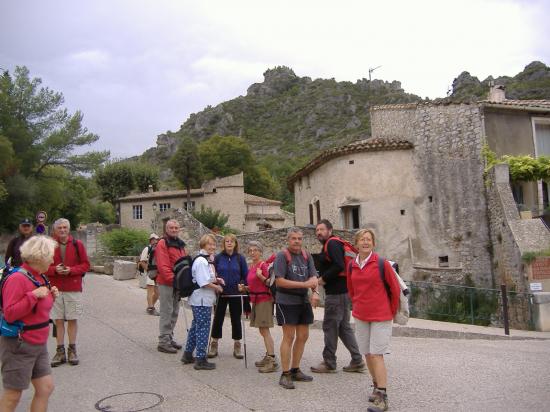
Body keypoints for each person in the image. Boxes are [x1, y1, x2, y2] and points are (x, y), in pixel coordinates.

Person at [0, 235, 60, 412]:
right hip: (19, 345)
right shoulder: (17, 279)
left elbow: (37, 310)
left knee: (45, 387)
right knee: (13, 395)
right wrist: (33, 296)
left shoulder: (39, 277)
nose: (52, 259)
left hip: (38, 344)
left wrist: (50, 296)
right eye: (49, 255)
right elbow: (10, 314)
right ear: (39, 257)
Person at [347, 229, 399, 412]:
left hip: (380, 316)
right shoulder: (352, 264)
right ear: (356, 243)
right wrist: (357, 305)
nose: (365, 242)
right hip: (361, 315)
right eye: (362, 239)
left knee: (377, 354)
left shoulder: (381, 264)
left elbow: (395, 290)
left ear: (373, 243)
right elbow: (351, 289)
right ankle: (376, 386)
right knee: (367, 354)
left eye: (368, 239)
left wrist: (389, 312)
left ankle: (383, 397)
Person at [311, 219, 365, 373]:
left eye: (321, 229)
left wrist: (322, 279)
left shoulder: (332, 244)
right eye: (317, 230)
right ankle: (357, 360)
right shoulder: (336, 243)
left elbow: (339, 265)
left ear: (330, 230)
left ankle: (329, 362)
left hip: (336, 293)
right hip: (344, 291)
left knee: (330, 326)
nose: (319, 232)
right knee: (343, 328)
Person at [273, 228, 318, 389]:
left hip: (302, 301)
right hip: (286, 301)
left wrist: (315, 291)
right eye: (294, 238)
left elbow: (313, 277)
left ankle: (295, 369)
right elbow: (279, 281)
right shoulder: (282, 256)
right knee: (289, 336)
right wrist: (305, 285)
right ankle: (285, 374)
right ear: (288, 240)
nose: (297, 241)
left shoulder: (307, 256)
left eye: (299, 238)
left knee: (303, 336)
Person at [47, 218, 90, 367]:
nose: (63, 230)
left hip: (74, 289)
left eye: (65, 227)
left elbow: (86, 265)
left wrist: (71, 270)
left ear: (69, 229)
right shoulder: (49, 246)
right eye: (59, 228)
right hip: (55, 289)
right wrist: (54, 270)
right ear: (55, 230)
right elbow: (42, 266)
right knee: (57, 320)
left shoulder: (78, 245)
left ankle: (72, 350)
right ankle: (60, 352)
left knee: (73, 318)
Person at [181, 234, 224, 370]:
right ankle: (200, 359)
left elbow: (208, 278)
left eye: (213, 244)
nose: (212, 246)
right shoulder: (202, 261)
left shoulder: (206, 260)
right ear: (203, 245)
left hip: (202, 299)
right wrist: (217, 287)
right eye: (209, 244)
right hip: (201, 300)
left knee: (196, 326)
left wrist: (217, 280)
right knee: (203, 328)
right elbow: (203, 282)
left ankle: (188, 354)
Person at [239, 241, 278, 373]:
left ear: (261, 252)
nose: (253, 252)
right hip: (255, 300)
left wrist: (261, 276)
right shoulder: (252, 266)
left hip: (264, 300)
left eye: (255, 250)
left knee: (265, 330)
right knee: (262, 330)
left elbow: (270, 283)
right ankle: (268, 357)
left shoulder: (263, 265)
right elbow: (254, 286)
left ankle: (271, 360)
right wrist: (245, 288)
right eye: (250, 250)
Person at [208, 234, 248, 359]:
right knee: (218, 318)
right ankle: (214, 344)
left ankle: (237, 345)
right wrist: (216, 283)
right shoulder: (218, 258)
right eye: (227, 241)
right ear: (224, 244)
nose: (229, 243)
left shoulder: (240, 258)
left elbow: (245, 275)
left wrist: (242, 284)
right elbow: (212, 273)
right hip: (221, 293)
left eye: (232, 241)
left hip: (236, 293)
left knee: (236, 319)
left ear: (235, 244)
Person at [155, 219, 187, 353]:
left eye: (176, 228)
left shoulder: (180, 244)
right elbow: (163, 265)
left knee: (174, 311)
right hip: (166, 283)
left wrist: (183, 281)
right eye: (171, 228)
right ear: (166, 229)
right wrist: (174, 280)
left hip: (176, 283)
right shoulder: (162, 243)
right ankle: (163, 341)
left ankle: (169, 337)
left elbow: (184, 263)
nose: (174, 230)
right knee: (166, 311)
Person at [139, 233, 160, 316]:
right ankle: (151, 308)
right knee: (150, 291)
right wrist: (149, 271)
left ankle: (150, 306)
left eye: (157, 239)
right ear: (151, 240)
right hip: (150, 273)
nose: (156, 241)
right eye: (154, 239)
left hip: (156, 273)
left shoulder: (158, 248)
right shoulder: (147, 248)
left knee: (158, 293)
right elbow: (142, 261)